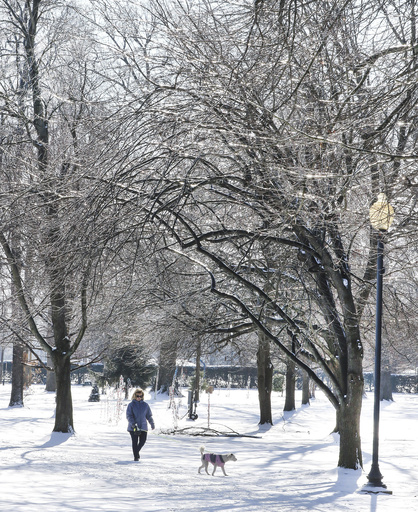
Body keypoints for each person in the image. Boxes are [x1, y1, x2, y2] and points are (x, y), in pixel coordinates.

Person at [126, 388, 155, 461]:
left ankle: (136, 452)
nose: (139, 397)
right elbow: (129, 416)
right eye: (137, 396)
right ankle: (136, 457)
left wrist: (152, 423)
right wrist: (133, 424)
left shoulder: (145, 405)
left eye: (140, 396)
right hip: (133, 427)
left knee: (143, 441)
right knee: (135, 442)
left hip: (143, 427)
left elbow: (149, 415)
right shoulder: (131, 405)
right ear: (134, 396)